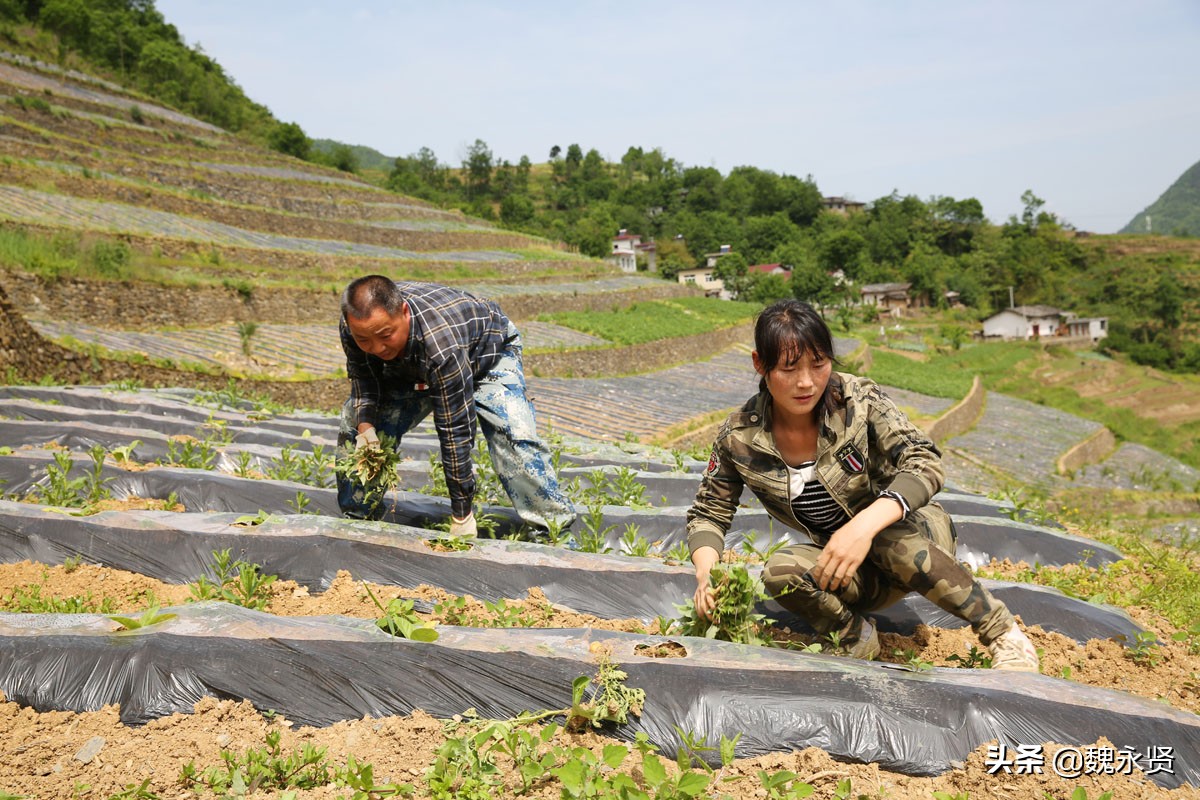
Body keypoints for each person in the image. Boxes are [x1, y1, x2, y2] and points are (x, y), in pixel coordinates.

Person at [686, 299, 1039, 671]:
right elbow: (709, 512)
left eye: (819, 364)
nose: (806, 382)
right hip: (850, 567)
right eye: (789, 368)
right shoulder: (739, 436)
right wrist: (707, 573)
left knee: (885, 538)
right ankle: (854, 636)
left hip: (913, 538)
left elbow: (924, 459)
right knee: (781, 571)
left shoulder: (859, 400)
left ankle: (1004, 635)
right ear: (760, 364)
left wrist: (863, 526)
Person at [336, 275, 577, 536]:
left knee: (514, 435)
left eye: (386, 335)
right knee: (354, 424)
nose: (376, 347)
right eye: (364, 340)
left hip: (486, 354)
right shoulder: (356, 325)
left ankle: (553, 531)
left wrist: (462, 513)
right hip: (411, 367)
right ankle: (358, 521)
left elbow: (455, 429)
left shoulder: (440, 345)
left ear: (404, 312)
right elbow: (363, 376)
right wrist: (366, 427)